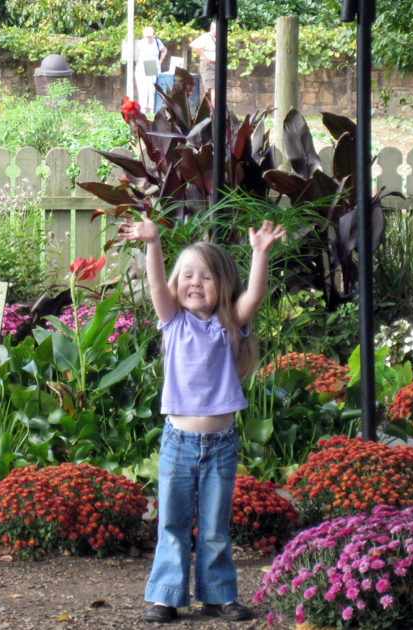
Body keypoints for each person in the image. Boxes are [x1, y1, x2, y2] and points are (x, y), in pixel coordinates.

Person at [117, 214, 287, 623]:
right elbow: (156, 284)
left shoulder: (229, 325)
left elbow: (254, 299)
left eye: (206, 277)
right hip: (178, 443)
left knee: (214, 527)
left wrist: (260, 254)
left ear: (222, 286)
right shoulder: (173, 323)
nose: (195, 283)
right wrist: (153, 242)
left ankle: (218, 595)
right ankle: (165, 597)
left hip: (222, 444)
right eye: (188, 275)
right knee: (172, 523)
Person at [135, 26, 167, 115]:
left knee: (153, 88)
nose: (149, 37)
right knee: (143, 88)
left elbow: (164, 50)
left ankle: (152, 109)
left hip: (154, 66)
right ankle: (143, 110)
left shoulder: (157, 42)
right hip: (142, 66)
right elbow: (134, 55)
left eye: (150, 35)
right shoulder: (139, 43)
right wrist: (137, 61)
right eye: (147, 36)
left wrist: (161, 60)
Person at [190, 21, 218, 103]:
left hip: (216, 65)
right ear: (212, 28)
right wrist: (204, 56)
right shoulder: (206, 37)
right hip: (208, 65)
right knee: (211, 89)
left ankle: (212, 110)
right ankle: (212, 111)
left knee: (213, 89)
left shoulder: (217, 38)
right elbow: (194, 45)